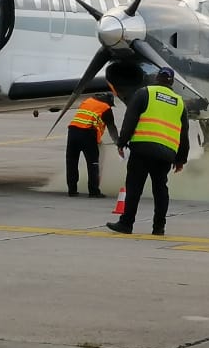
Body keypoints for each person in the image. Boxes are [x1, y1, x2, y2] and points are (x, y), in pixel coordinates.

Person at [107, 67, 189, 237]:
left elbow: (130, 119)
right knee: (160, 190)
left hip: (142, 150)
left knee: (134, 188)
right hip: (165, 154)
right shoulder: (180, 102)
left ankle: (126, 224)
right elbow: (184, 133)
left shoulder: (145, 93)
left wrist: (121, 143)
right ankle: (159, 227)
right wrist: (180, 160)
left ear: (156, 78)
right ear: (172, 82)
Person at [65, 91, 117, 197]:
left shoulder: (87, 101)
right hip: (87, 134)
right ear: (109, 101)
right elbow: (112, 127)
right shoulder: (105, 107)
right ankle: (93, 191)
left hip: (72, 132)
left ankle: (72, 190)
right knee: (93, 164)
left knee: (72, 163)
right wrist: (118, 141)